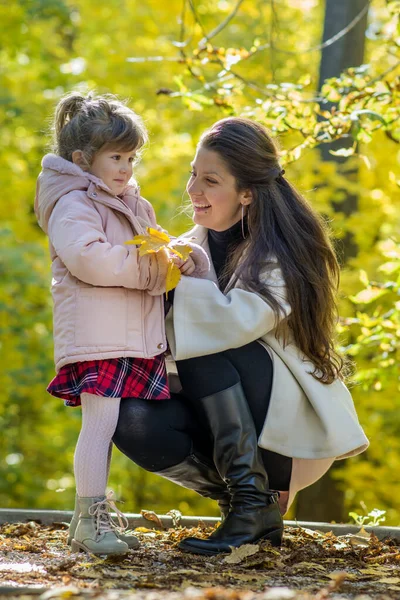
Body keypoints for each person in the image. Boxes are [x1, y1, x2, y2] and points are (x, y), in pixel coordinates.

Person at [113, 117, 369, 556]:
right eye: (194, 173)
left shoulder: (283, 250)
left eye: (210, 180)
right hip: (225, 420)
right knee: (130, 416)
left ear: (247, 193)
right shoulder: (187, 247)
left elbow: (230, 325)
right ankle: (247, 502)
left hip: (287, 435)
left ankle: (253, 501)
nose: (194, 189)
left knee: (208, 345)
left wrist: (183, 284)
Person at [34, 92, 209, 556]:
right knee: (100, 423)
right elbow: (89, 258)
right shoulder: (74, 203)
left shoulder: (127, 202)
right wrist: (151, 268)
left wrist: (179, 256)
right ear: (82, 159)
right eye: (116, 157)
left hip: (124, 335)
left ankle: (84, 522)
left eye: (131, 157)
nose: (126, 168)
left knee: (106, 425)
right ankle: (91, 518)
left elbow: (146, 248)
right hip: (97, 334)